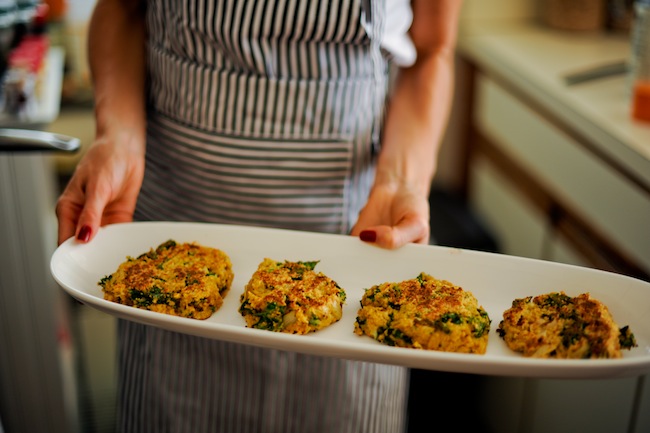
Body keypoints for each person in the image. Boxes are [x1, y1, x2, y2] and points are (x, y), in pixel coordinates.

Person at [56, 0, 463, 432]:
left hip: (351, 234)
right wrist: (115, 136)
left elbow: (433, 47)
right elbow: (121, 9)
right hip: (177, 228)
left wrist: (405, 180)